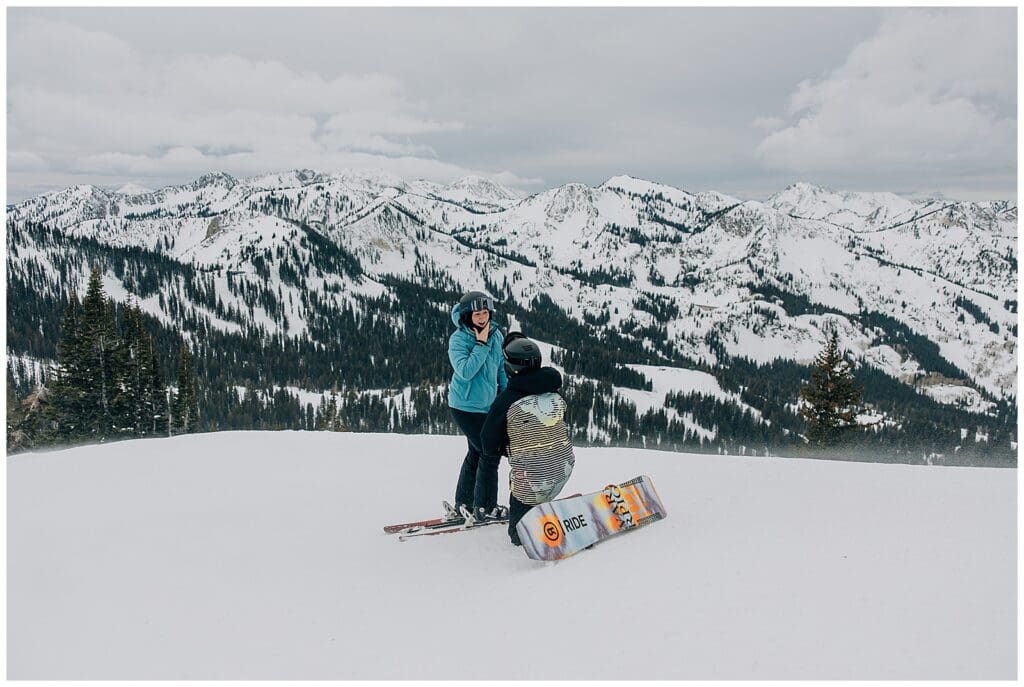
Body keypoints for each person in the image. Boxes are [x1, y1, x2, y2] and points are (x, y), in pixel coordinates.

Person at [477, 334, 575, 545]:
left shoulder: (507, 400)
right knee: (542, 469)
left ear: (510, 367)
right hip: (564, 468)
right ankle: (544, 506)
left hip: (530, 479)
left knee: (518, 530)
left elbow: (487, 442)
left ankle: (522, 528)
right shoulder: (552, 389)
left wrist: (505, 447)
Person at [447, 290, 508, 521]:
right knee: (489, 452)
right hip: (465, 406)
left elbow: (500, 369)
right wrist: (481, 344)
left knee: (476, 452)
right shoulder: (459, 339)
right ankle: (486, 507)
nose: (482, 318)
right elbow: (465, 371)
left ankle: (465, 503)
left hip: (487, 406)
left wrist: (504, 397)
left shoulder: (496, 334)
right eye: (477, 314)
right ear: (467, 316)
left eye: (485, 312)